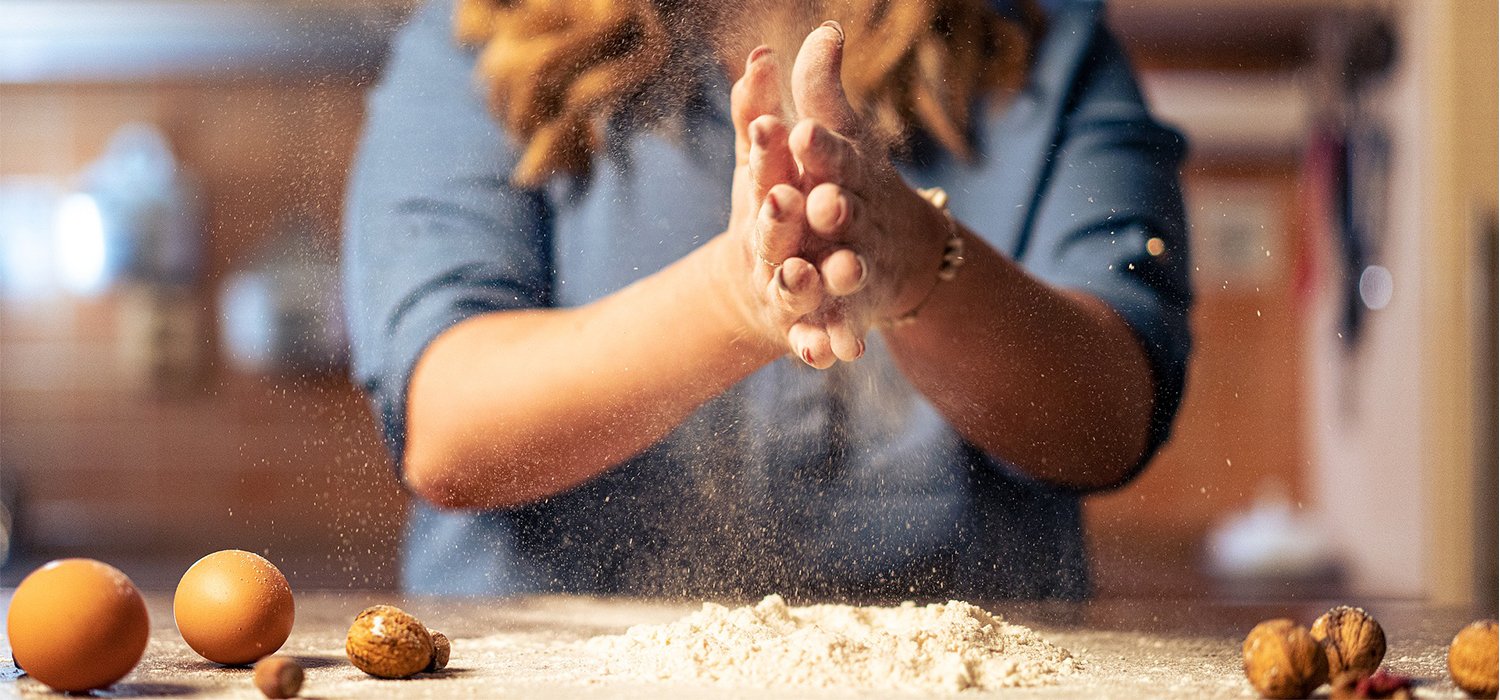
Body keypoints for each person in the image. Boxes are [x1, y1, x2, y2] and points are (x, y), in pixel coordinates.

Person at [343, 0, 1192, 599]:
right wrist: (731, 301)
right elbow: (446, 428)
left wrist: (915, 264)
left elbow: (1111, 420)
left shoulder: (1041, 39)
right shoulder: (480, 38)